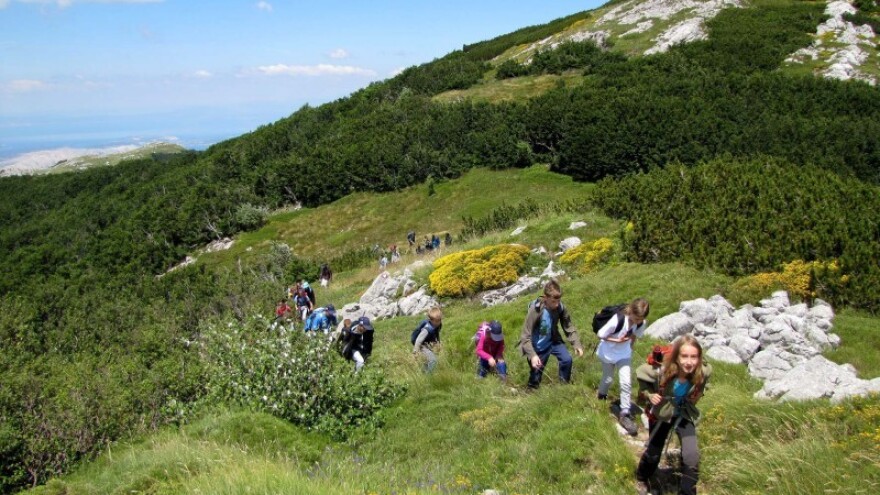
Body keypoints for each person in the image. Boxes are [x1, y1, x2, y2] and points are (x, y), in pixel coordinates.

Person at [635, 335, 711, 495]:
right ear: (676, 356)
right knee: (654, 453)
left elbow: (702, 386)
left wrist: (696, 396)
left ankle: (687, 491)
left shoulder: (702, 372)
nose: (689, 362)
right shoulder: (660, 372)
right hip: (662, 413)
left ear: (699, 358)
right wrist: (650, 395)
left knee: (691, 456)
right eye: (684, 356)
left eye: (694, 357)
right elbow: (642, 382)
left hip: (683, 413)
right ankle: (642, 478)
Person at [596, 298, 650, 436]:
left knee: (626, 382)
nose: (637, 321)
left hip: (624, 354)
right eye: (636, 318)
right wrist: (617, 340)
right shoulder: (618, 319)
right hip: (607, 353)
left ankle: (624, 412)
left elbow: (635, 336)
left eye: (640, 319)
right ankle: (601, 396)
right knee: (608, 379)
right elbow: (601, 334)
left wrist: (630, 347)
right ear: (630, 311)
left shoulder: (641, 323)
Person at [518, 280, 584, 389]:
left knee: (567, 360)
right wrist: (533, 355)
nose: (557, 304)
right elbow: (525, 336)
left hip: (553, 340)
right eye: (554, 301)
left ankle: (564, 387)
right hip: (537, 345)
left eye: (558, 301)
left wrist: (576, 344)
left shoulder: (560, 307)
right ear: (545, 297)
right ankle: (531, 391)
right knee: (536, 373)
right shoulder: (535, 310)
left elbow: (568, 326)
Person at [411, 306, 443, 373]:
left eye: (440, 320)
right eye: (436, 321)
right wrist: (415, 353)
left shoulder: (437, 325)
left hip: (427, 342)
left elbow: (436, 333)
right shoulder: (427, 329)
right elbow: (418, 341)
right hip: (421, 344)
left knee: (427, 360)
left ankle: (424, 373)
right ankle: (428, 376)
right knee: (433, 360)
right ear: (430, 320)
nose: (438, 322)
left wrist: (438, 343)